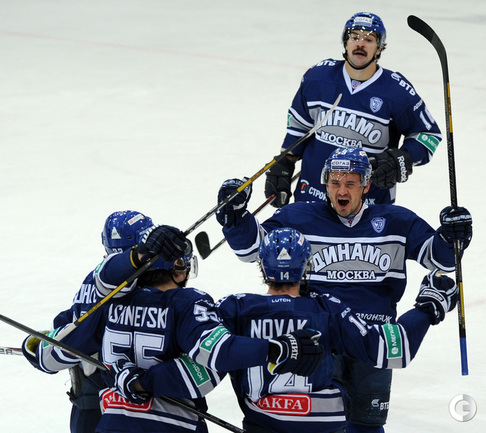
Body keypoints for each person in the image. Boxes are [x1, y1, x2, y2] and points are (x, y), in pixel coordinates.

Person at [215, 147, 472, 433]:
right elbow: (253, 249)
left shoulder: (396, 221)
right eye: (335, 182)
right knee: (323, 426)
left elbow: (441, 259)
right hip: (321, 340)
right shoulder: (297, 216)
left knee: (367, 427)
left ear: (366, 185)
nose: (342, 190)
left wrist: (452, 237)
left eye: (350, 183)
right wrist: (236, 217)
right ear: (325, 184)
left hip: (373, 340)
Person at [111, 227, 459, 433]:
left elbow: (202, 367)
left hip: (263, 425)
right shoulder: (326, 308)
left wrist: (140, 382)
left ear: (263, 268)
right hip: (325, 426)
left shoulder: (235, 308)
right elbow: (389, 349)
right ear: (306, 266)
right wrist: (429, 308)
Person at [32, 224, 324, 433]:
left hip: (113, 423)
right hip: (174, 424)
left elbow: (50, 352)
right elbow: (213, 359)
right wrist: (274, 348)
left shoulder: (109, 303)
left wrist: (35, 344)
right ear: (177, 270)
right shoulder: (187, 303)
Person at [264, 11, 442, 208]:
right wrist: (285, 163)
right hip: (313, 197)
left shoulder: (397, 91)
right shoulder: (318, 78)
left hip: (369, 206)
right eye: (354, 37)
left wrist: (401, 158)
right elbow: (299, 128)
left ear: (379, 49)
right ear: (346, 43)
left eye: (369, 39)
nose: (360, 44)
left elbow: (428, 135)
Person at [21, 210, 155, 433]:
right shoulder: (151, 287)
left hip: (94, 410)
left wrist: (40, 345)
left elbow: (72, 326)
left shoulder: (96, 279)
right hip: (122, 409)